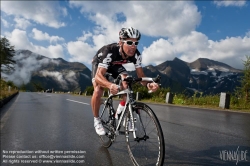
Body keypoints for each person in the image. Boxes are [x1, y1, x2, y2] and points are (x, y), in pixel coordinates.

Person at [91, 27, 159, 135]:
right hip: (100, 64)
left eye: (136, 43)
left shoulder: (136, 55)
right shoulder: (109, 51)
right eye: (129, 42)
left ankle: (121, 113)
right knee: (99, 89)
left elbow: (141, 75)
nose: (133, 46)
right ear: (121, 42)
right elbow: (99, 76)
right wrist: (110, 85)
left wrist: (149, 84)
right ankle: (96, 120)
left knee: (126, 81)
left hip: (115, 65)